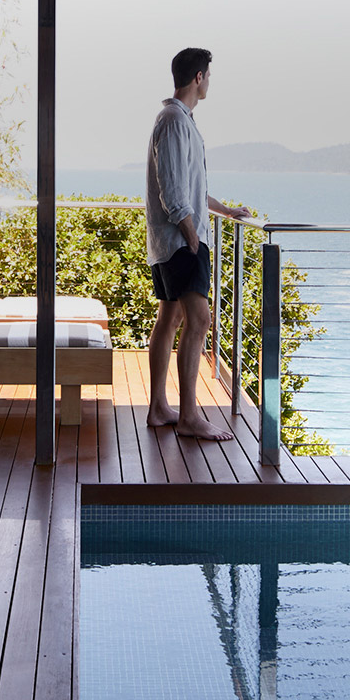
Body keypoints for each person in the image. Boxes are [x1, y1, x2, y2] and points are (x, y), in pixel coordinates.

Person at [146, 47, 253, 439]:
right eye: (208, 75)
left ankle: (159, 407)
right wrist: (192, 235)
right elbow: (174, 190)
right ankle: (189, 416)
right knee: (200, 320)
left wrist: (225, 210)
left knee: (170, 319)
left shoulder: (179, 120)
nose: (209, 82)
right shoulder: (174, 120)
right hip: (180, 241)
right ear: (198, 78)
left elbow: (191, 185)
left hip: (171, 238)